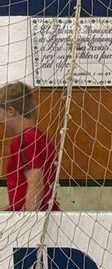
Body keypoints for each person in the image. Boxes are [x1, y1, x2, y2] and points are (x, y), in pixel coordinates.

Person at [2, 81, 60, 212]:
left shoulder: (24, 139)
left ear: (10, 111)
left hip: (36, 218)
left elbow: (35, 180)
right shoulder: (40, 137)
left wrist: (29, 222)